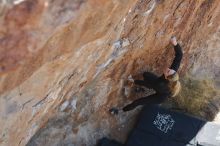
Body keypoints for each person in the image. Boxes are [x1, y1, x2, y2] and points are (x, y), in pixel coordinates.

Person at [109, 36, 183, 114]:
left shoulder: (160, 85)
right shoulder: (173, 72)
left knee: (138, 102)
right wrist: (175, 43)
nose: (168, 69)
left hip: (160, 97)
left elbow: (148, 84)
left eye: (168, 71)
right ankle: (142, 89)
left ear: (166, 77)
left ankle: (120, 111)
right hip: (158, 85)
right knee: (146, 74)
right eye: (170, 70)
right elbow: (179, 56)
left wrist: (134, 81)